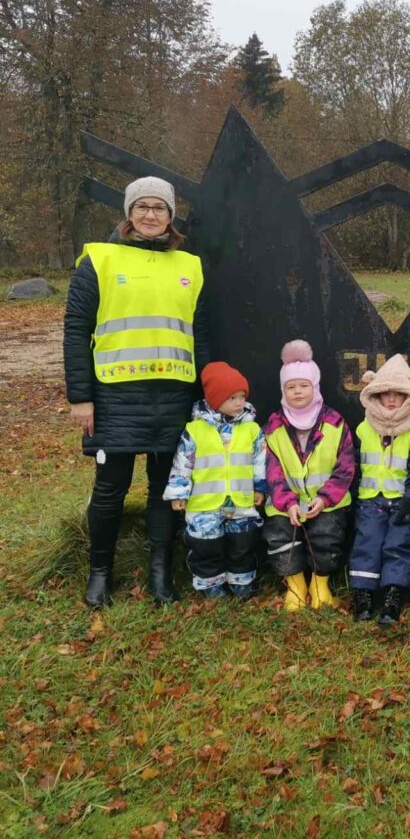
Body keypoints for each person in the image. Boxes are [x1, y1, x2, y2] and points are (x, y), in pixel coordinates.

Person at [64, 176, 209, 607]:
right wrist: (80, 397)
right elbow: (76, 331)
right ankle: (99, 574)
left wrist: (203, 396)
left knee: (166, 488)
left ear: (171, 215)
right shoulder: (99, 261)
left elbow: (199, 337)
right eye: (142, 207)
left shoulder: (189, 266)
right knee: (111, 486)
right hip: (114, 396)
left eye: (159, 208)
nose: (150, 215)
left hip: (173, 394)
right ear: (129, 213)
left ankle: (161, 574)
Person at [263, 340, 354, 612]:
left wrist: (325, 499)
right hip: (285, 505)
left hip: (327, 502)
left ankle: (319, 583)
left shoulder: (335, 424)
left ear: (315, 388)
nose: (298, 392)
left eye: (304, 385)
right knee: (279, 537)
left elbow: (345, 468)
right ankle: (295, 585)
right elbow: (272, 471)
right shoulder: (273, 427)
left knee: (327, 537)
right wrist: (288, 503)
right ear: (283, 391)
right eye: (291, 387)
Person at [163, 362, 266, 598]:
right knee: (205, 545)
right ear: (214, 399)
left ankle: (241, 581)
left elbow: (260, 460)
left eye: (242, 396)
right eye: (232, 398)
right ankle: (211, 585)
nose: (240, 403)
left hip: (241, 500)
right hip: (205, 503)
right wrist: (179, 492)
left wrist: (260, 486)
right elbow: (183, 462)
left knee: (242, 543)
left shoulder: (251, 429)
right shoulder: (195, 430)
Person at [349, 355, 410, 626]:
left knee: (399, 545)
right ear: (376, 396)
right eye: (386, 394)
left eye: (399, 394)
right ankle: (363, 594)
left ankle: (393, 596)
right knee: (367, 544)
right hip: (370, 501)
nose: (392, 400)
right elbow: (355, 467)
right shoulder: (362, 429)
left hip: (402, 504)